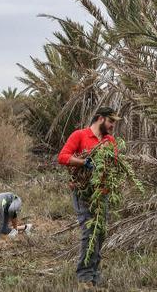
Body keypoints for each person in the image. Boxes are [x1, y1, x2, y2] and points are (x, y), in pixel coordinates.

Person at [57, 106, 119, 289]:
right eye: (111, 121)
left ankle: (94, 274)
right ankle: (84, 277)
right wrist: (84, 162)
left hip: (102, 193)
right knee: (89, 232)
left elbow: (114, 162)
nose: (113, 125)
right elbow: (63, 157)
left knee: (100, 233)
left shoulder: (110, 141)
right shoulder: (79, 135)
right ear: (100, 119)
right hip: (82, 192)